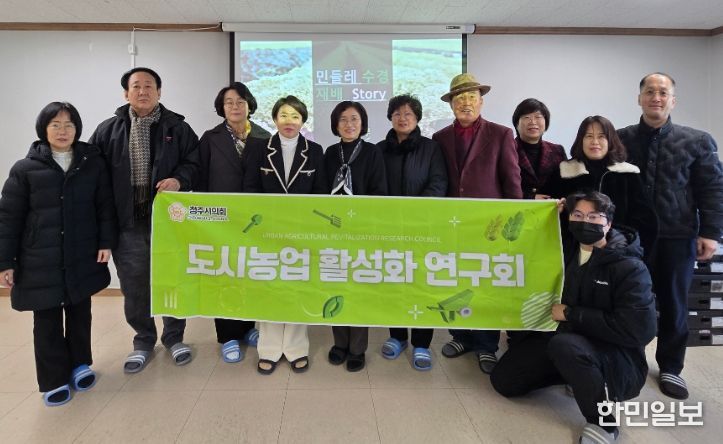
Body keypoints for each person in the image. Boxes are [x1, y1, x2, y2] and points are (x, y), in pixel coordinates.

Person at [490, 190, 657, 444]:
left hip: (612, 353)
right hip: (563, 338)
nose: (585, 222)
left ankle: (604, 424)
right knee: (504, 381)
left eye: (594, 217)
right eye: (578, 215)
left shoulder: (629, 267)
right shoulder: (564, 249)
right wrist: (543, 215)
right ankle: (573, 374)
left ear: (608, 223)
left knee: (565, 346)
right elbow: (519, 243)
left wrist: (571, 314)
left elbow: (639, 330)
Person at [0, 102, 117, 406]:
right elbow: (8, 219)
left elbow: (104, 206)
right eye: (55, 125)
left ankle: (80, 365)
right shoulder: (25, 169)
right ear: (44, 129)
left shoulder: (91, 163)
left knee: (80, 311)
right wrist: (5, 262)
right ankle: (53, 379)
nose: (62, 131)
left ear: (77, 129)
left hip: (82, 251)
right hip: (40, 257)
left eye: (68, 125)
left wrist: (106, 242)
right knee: (47, 318)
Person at [617, 72, 723, 400]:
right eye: (649, 91)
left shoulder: (698, 141)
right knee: (631, 302)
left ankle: (671, 367)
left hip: (678, 237)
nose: (656, 97)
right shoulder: (620, 139)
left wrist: (711, 232)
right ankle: (630, 362)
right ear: (639, 98)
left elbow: (712, 189)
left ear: (672, 101)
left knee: (675, 304)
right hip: (632, 239)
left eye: (663, 92)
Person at [89, 67, 200, 373]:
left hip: (170, 223)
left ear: (159, 92)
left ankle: (175, 337)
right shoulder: (107, 131)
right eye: (136, 86)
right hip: (127, 224)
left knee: (173, 279)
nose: (143, 91)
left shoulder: (178, 128)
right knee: (135, 286)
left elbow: (195, 163)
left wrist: (179, 180)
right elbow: (94, 177)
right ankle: (143, 340)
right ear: (126, 93)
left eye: (149, 86)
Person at [432, 73, 522, 374]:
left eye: (471, 97)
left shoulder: (501, 134)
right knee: (455, 279)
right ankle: (460, 336)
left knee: (486, 283)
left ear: (481, 101)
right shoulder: (440, 137)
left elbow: (512, 181)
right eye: (459, 98)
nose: (465, 103)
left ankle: (486, 345)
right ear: (451, 105)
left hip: (490, 227)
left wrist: (513, 223)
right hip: (453, 224)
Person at [244, 95, 327, 374]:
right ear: (274, 119)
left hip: (302, 231)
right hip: (267, 231)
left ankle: (295, 348)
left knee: (296, 286)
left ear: (303, 121)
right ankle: (268, 348)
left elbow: (321, 192)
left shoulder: (314, 150)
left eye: (295, 116)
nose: (289, 121)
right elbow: (250, 188)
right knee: (269, 287)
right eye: (283, 115)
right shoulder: (259, 148)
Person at [198, 82, 270, 364]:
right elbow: (201, 180)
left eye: (240, 101)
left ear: (249, 105)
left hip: (254, 219)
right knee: (225, 274)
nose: (235, 106)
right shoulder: (210, 138)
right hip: (221, 219)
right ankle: (228, 335)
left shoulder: (264, 137)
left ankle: (248, 327)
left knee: (250, 271)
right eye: (229, 102)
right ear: (222, 107)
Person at [376, 94, 447, 370]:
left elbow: (438, 183)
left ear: (417, 117)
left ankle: (421, 343)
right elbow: (375, 186)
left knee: (422, 284)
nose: (402, 118)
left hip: (423, 228)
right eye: (397, 114)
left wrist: (416, 213)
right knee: (393, 282)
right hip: (389, 229)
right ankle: (397, 336)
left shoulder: (432, 148)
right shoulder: (379, 149)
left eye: (408, 113)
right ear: (390, 118)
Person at [324, 101, 388, 372]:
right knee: (336, 285)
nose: (349, 124)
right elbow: (320, 191)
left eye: (354, 119)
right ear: (335, 124)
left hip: (362, 231)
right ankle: (339, 343)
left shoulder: (373, 152)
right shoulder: (330, 153)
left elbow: (380, 192)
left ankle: (357, 348)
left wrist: (360, 222)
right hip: (333, 231)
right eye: (343, 119)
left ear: (362, 124)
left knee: (359, 287)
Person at [543, 115, 658, 263]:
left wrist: (626, 246)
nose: (595, 142)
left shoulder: (628, 174)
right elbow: (546, 213)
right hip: (571, 254)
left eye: (601, 136)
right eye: (589, 136)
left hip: (617, 253)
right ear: (581, 140)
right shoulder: (564, 172)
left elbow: (646, 220)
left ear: (610, 140)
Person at [511, 98, 567, 199]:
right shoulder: (507, 150)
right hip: (517, 207)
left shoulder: (558, 151)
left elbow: (566, 184)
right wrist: (530, 197)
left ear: (546, 123)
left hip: (553, 207)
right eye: (526, 117)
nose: (533, 122)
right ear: (516, 124)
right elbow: (500, 185)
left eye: (538, 117)